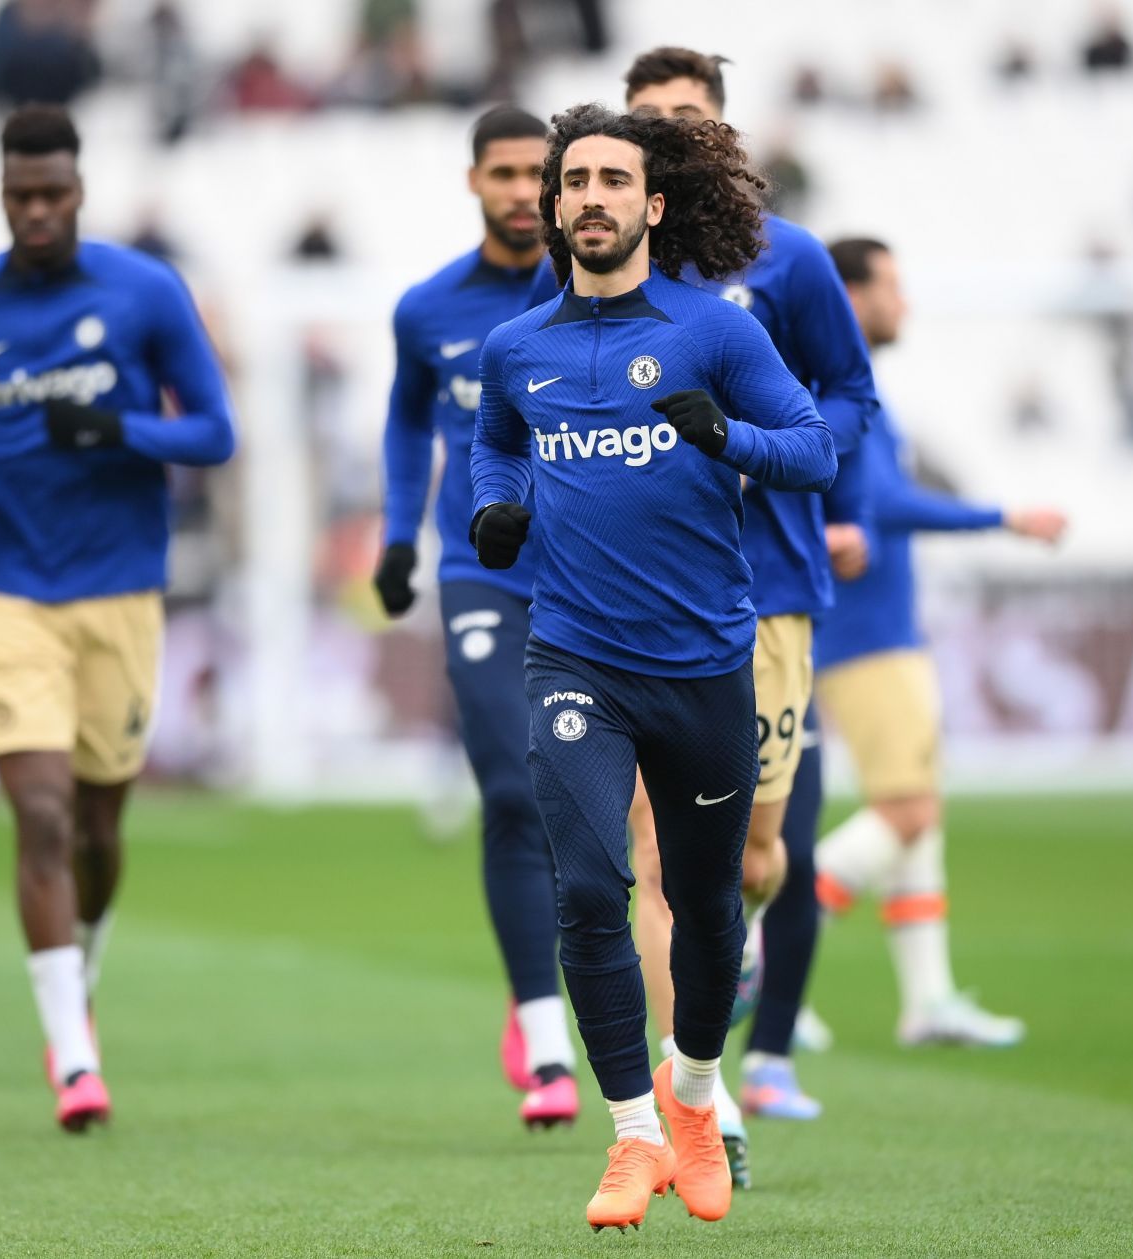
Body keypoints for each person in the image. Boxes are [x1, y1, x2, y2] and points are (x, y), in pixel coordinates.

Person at [469, 103, 838, 1232]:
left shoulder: (714, 333)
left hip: (706, 662)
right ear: (554, 206)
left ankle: (692, 1095)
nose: (590, 196)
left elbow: (816, 450)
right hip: (575, 654)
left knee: (710, 903)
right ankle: (631, 1135)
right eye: (572, 180)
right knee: (589, 885)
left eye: (612, 181)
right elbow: (495, 437)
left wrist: (725, 438)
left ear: (652, 204)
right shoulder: (515, 347)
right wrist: (497, 503)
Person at [0, 104, 236, 1133]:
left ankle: (80, 965)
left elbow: (217, 432)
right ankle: (75, 1054)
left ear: (80, 190)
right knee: (42, 813)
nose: (37, 211)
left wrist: (118, 427)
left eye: (53, 194)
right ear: (2, 195)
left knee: (99, 826)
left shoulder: (143, 292)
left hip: (121, 593)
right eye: (20, 197)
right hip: (5, 591)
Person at [619, 45, 878, 1170]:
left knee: (754, 854)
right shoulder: (592, 273)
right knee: (656, 854)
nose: (664, 139)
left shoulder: (792, 263)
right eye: (646, 125)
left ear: (720, 131)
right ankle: (694, 1091)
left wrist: (767, 457)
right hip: (627, 592)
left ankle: (731, 964)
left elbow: (849, 399)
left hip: (765, 587)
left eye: (685, 118)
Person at [768, 239, 1065, 1081]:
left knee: (919, 820)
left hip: (876, 623)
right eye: (890, 286)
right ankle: (761, 943)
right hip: (867, 632)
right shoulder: (841, 388)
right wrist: (1002, 516)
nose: (905, 302)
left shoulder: (844, 384)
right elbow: (880, 502)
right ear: (847, 295)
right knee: (906, 810)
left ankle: (926, 998)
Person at [374, 105, 577, 1130]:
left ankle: (545, 960)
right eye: (498, 171)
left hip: (594, 574)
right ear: (473, 181)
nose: (513, 190)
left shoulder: (594, 295)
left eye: (529, 174)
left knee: (592, 808)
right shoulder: (427, 310)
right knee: (510, 784)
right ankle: (545, 1041)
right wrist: (399, 537)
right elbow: (409, 418)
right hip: (484, 573)